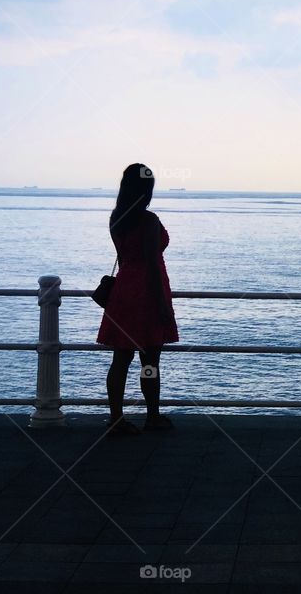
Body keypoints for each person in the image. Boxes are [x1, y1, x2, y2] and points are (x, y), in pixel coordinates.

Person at [97, 163, 178, 435]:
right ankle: (152, 416)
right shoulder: (149, 220)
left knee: (120, 359)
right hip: (147, 294)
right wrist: (163, 306)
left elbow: (124, 258)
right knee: (150, 361)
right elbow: (152, 265)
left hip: (123, 291)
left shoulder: (116, 219)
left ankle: (115, 419)